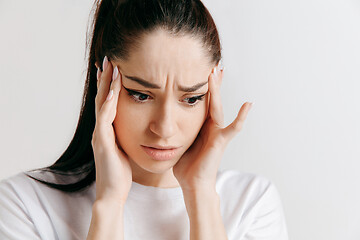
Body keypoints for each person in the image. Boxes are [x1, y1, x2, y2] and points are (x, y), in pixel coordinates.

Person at [0, 0, 289, 239]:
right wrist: (109, 204)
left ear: (214, 90)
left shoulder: (252, 203)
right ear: (103, 80)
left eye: (191, 99)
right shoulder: (24, 204)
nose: (164, 127)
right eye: (141, 95)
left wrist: (200, 194)